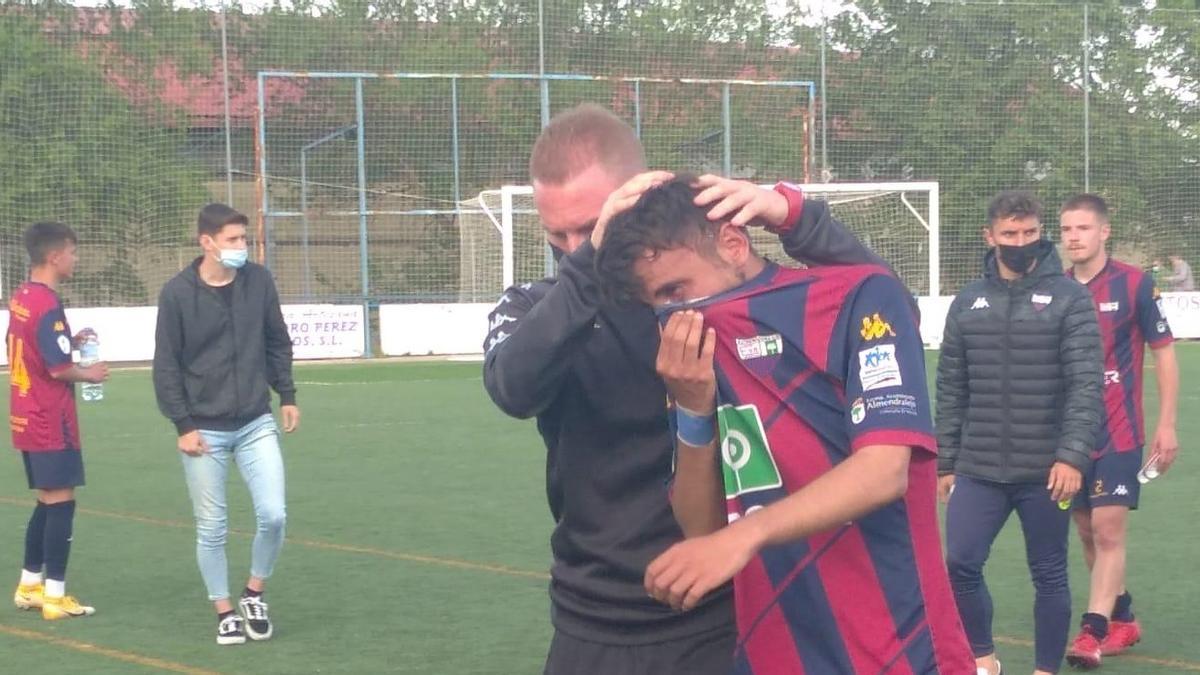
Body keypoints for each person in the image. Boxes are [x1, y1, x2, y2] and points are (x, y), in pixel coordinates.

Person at [482, 103, 888, 675]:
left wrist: (794, 216)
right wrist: (591, 264)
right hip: (593, 618)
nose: (576, 248)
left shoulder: (705, 294)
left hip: (726, 609)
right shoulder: (537, 306)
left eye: (593, 226)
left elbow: (875, 305)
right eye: (560, 235)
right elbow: (512, 388)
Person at [593, 176, 975, 674]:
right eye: (657, 304)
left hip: (901, 648)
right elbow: (702, 527)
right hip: (772, 651)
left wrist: (744, 535)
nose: (671, 312)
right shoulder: (691, 353)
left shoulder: (855, 298)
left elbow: (884, 470)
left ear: (732, 243)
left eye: (675, 289)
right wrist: (692, 411)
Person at [936, 191, 1103, 675]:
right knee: (961, 563)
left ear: (1040, 232)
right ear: (990, 238)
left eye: (1029, 233)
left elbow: (1085, 384)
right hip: (979, 467)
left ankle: (1045, 669)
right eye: (1010, 234)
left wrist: (1072, 457)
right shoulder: (968, 302)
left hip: (1048, 471)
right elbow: (951, 386)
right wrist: (946, 461)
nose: (1020, 242)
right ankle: (983, 659)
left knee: (1049, 574)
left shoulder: (1071, 298)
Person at [153, 203, 300, 646]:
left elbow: (277, 339)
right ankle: (224, 611)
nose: (242, 247)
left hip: (256, 419)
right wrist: (183, 424)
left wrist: (287, 394)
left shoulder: (259, 281)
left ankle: (254, 592)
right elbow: (167, 366)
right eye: (233, 240)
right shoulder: (177, 293)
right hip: (203, 428)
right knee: (212, 527)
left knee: (274, 515)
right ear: (207, 242)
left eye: (244, 239)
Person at [1059, 194, 1178, 668]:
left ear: (1104, 232)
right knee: (1087, 531)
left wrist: (1167, 424)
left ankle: (1093, 631)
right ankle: (1123, 617)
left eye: (1083, 228)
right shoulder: (1054, 289)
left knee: (1108, 530)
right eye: (1066, 229)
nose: (1073, 237)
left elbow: (1164, 353)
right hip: (1070, 435)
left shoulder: (1135, 285)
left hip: (1119, 431)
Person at [9, 222, 109, 620]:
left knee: (45, 500)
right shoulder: (47, 304)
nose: (75, 258)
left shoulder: (23, 296)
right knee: (61, 502)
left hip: (25, 416)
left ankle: (30, 585)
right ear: (54, 256)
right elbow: (57, 368)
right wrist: (91, 374)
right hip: (51, 418)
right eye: (72, 251)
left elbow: (38, 347)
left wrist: (71, 338)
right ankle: (55, 595)